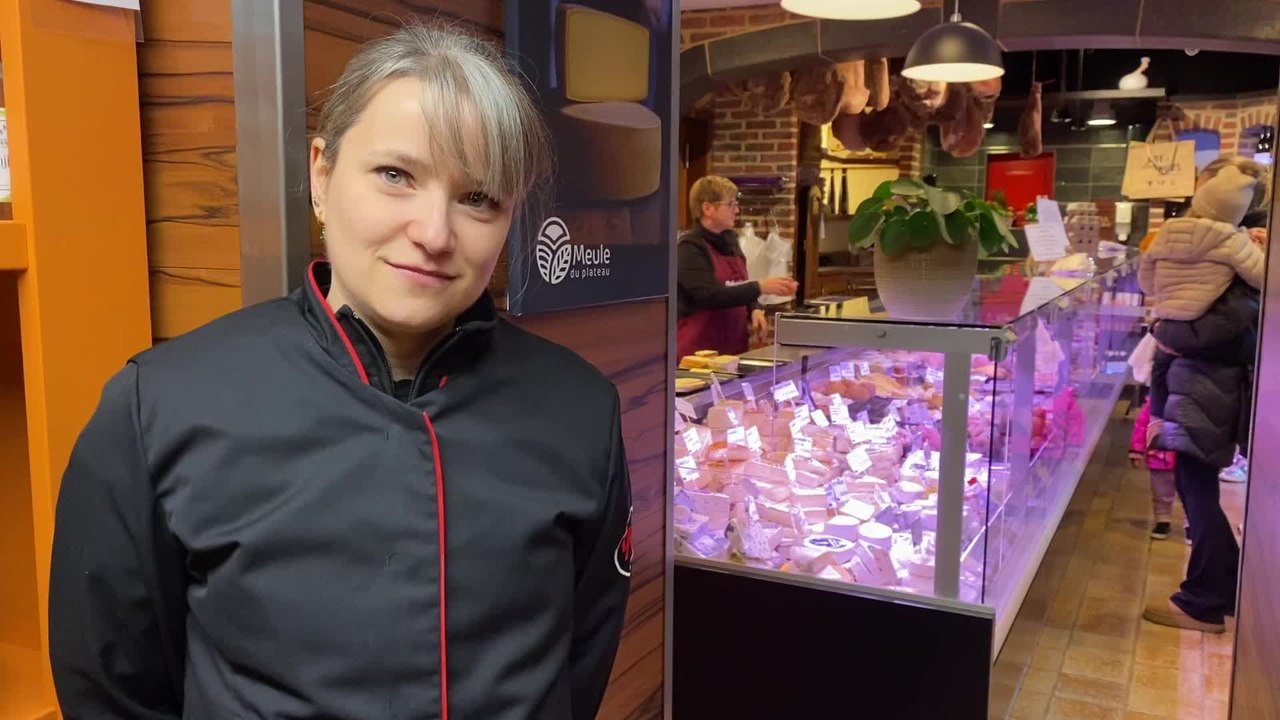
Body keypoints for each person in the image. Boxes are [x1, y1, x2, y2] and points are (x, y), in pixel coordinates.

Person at [48, 23, 633, 719]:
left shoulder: (578, 411)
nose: (435, 232)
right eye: (396, 176)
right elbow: (114, 687)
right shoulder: (160, 406)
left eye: (478, 198)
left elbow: (578, 665)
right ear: (322, 176)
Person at [1138, 157, 1268, 634]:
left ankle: (1203, 602)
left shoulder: (1241, 258)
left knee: (1197, 491)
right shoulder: (1236, 251)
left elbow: (1226, 330)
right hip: (1197, 383)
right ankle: (1231, 587)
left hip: (1208, 386)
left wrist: (1166, 333)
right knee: (1196, 489)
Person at [677, 175, 798, 358]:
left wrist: (755, 308)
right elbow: (708, 295)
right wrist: (760, 287)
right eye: (731, 204)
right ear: (708, 208)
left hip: (732, 348)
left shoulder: (731, 242)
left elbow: (740, 283)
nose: (737, 210)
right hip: (697, 353)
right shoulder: (689, 247)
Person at [1129, 396, 1178, 540]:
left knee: (1191, 492)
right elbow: (1141, 426)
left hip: (1186, 455)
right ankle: (1163, 519)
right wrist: (1137, 451)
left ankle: (1192, 524)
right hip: (1159, 455)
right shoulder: (1153, 404)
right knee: (1160, 490)